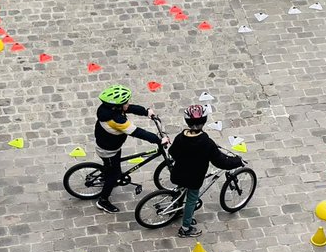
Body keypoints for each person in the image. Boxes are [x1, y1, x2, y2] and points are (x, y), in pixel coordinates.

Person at [168, 104, 246, 237]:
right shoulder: (206, 143)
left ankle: (177, 209)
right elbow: (221, 162)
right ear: (204, 122)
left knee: (181, 189)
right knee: (192, 200)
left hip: (178, 173)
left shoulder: (180, 138)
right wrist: (238, 161)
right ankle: (185, 228)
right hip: (194, 178)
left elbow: (172, 152)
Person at [93, 85, 168, 213]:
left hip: (109, 145)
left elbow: (130, 108)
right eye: (125, 102)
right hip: (108, 150)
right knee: (114, 175)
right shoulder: (117, 120)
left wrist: (146, 112)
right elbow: (137, 132)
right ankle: (103, 201)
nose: (128, 104)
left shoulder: (108, 110)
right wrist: (158, 140)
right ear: (117, 106)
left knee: (111, 167)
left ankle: (106, 173)